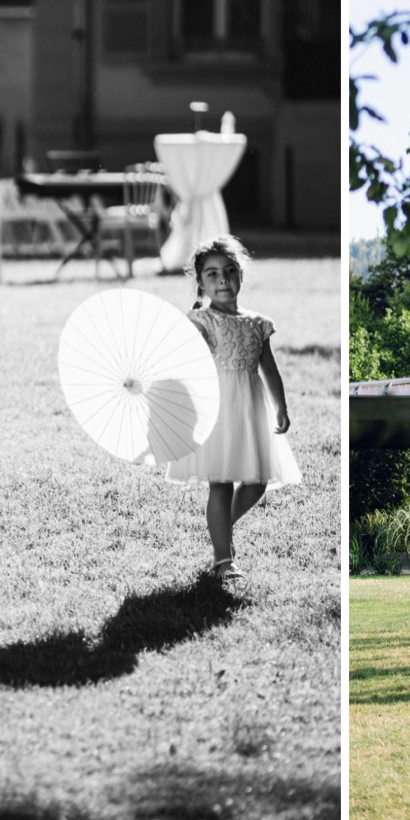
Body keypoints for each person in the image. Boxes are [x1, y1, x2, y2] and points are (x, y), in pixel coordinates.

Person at [166, 235, 299, 581]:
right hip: (217, 408)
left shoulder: (258, 322)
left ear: (241, 274)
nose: (222, 279)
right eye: (211, 274)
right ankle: (224, 559)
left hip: (250, 408)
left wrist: (280, 405)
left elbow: (268, 367)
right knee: (221, 483)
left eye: (229, 271)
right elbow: (186, 362)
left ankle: (220, 525)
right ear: (200, 284)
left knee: (257, 481)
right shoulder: (203, 322)